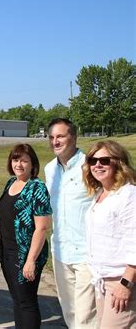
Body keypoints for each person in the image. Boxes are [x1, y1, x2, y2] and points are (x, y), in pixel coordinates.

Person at [44, 118, 97, 328]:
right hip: (60, 252)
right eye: (51, 137)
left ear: (73, 137)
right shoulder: (50, 169)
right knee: (70, 312)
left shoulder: (91, 165)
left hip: (87, 254)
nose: (55, 141)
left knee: (86, 318)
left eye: (60, 136)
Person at [0, 144, 52, 328]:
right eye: (15, 159)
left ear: (32, 164)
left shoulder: (37, 188)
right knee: (17, 300)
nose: (19, 164)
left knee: (27, 302)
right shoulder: (11, 183)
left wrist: (31, 260)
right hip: (7, 252)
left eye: (24, 160)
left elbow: (42, 228)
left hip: (26, 255)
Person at [82, 140, 136, 328]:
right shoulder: (99, 194)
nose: (97, 165)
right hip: (102, 280)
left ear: (118, 162)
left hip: (121, 281)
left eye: (104, 160)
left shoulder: (128, 195)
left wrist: (125, 283)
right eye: (92, 160)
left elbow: (134, 242)